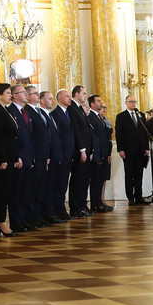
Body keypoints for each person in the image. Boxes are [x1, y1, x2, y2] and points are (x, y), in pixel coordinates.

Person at [0, 83, 21, 237]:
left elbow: (11, 136)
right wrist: (3, 159)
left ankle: (4, 220)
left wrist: (15, 156)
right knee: (1, 191)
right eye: (7, 93)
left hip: (9, 157)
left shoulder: (5, 110)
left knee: (7, 190)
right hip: (2, 159)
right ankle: (1, 221)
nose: (10, 95)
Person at [6, 84, 34, 231]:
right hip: (18, 159)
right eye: (23, 92)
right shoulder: (10, 111)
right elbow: (12, 138)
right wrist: (16, 157)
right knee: (16, 191)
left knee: (25, 191)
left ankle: (24, 220)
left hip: (28, 157)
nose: (26, 95)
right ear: (15, 95)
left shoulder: (25, 112)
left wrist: (32, 158)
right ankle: (16, 222)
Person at [58, 89, 89, 217]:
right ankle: (76, 207)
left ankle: (81, 205)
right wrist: (82, 149)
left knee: (83, 180)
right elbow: (76, 130)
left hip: (85, 150)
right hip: (77, 151)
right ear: (77, 95)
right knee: (77, 180)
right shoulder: (72, 109)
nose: (86, 96)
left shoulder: (79, 108)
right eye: (84, 93)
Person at [24, 86, 52, 226]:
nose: (37, 95)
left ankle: (39, 215)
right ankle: (31, 216)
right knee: (33, 188)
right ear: (28, 97)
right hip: (35, 156)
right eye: (35, 93)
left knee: (41, 187)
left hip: (43, 155)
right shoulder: (27, 111)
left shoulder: (39, 111)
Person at [115, 95, 149, 206]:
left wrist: (147, 148)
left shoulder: (141, 115)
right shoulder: (121, 116)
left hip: (140, 151)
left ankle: (139, 196)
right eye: (131, 101)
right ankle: (130, 198)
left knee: (139, 175)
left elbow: (145, 133)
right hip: (128, 151)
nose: (133, 103)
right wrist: (120, 149)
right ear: (126, 102)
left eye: (135, 101)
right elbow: (118, 135)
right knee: (129, 175)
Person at [43, 91, 72, 220]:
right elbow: (55, 138)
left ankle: (60, 210)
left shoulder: (62, 113)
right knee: (53, 186)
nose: (69, 98)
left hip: (64, 155)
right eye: (67, 96)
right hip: (56, 156)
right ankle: (54, 211)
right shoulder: (55, 113)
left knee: (62, 185)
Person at [88, 94, 113, 212]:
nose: (100, 103)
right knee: (96, 181)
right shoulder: (91, 117)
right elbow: (94, 138)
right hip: (97, 154)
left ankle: (99, 203)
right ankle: (95, 204)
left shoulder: (98, 117)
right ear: (92, 104)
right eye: (98, 101)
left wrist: (107, 153)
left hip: (103, 154)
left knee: (100, 180)